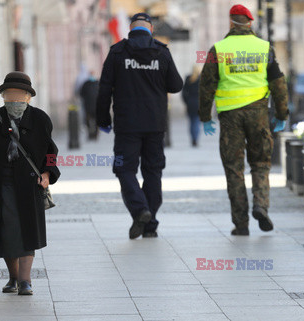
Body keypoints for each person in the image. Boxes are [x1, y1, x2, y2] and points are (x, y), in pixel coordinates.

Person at [198, 4, 289, 236]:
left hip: (230, 118)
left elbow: (206, 86)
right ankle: (261, 205)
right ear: (250, 23)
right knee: (260, 163)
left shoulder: (218, 49)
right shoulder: (264, 47)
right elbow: (278, 84)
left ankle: (241, 224)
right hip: (258, 114)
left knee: (234, 169)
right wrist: (281, 115)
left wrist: (205, 116)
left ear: (230, 23)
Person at [0, 71, 61, 295]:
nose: (15, 98)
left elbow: (51, 153)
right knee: (5, 233)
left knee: (26, 231)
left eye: (20, 94)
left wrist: (48, 174)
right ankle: (13, 277)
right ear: (3, 96)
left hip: (29, 186)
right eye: (10, 94)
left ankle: (25, 280)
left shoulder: (40, 120)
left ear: (29, 97)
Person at [96, 12, 183, 239]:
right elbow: (176, 85)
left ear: (130, 30)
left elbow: (104, 89)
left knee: (124, 169)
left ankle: (140, 211)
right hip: (155, 125)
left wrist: (103, 120)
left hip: (127, 125)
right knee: (153, 171)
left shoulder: (117, 52)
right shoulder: (162, 52)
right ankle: (149, 224)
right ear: (151, 29)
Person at [182, 65, 202, 147]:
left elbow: (184, 92)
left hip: (190, 103)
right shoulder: (202, 79)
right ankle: (195, 138)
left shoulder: (188, 78)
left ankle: (193, 138)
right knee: (197, 122)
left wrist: (187, 101)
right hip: (199, 103)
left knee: (191, 122)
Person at [80, 73, 100, 140]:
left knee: (97, 121)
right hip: (88, 106)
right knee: (88, 121)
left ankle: (96, 134)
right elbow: (81, 93)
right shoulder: (86, 84)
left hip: (97, 107)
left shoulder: (98, 83)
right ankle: (90, 133)